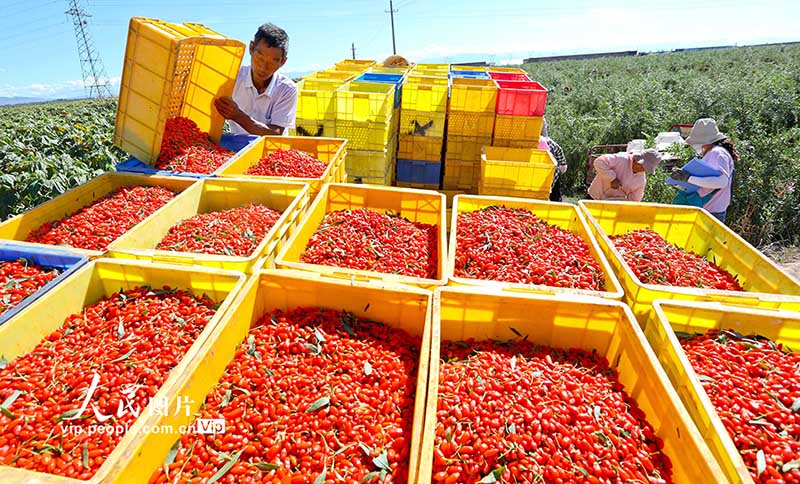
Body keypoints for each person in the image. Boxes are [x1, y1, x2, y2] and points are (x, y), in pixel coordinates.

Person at [214, 23, 297, 135]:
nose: (263, 67)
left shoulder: (287, 89)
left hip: (271, 150)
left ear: (282, 62)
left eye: (273, 61)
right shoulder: (233, 78)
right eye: (259, 57)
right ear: (251, 48)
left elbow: (276, 134)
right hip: (236, 146)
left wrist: (238, 116)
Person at [669, 118, 736, 223]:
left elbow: (721, 182)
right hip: (709, 209)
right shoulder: (714, 152)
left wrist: (688, 178)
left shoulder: (717, 153)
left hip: (711, 211)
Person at [588, 149, 662, 202]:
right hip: (594, 197)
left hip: (613, 206)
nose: (642, 169)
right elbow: (599, 162)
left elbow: (635, 200)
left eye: (645, 168)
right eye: (642, 166)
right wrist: (612, 178)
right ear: (638, 159)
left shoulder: (641, 180)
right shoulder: (621, 159)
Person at [541, 136, 567, 202]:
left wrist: (562, 164)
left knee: (554, 196)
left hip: (552, 173)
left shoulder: (548, 143)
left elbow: (559, 150)